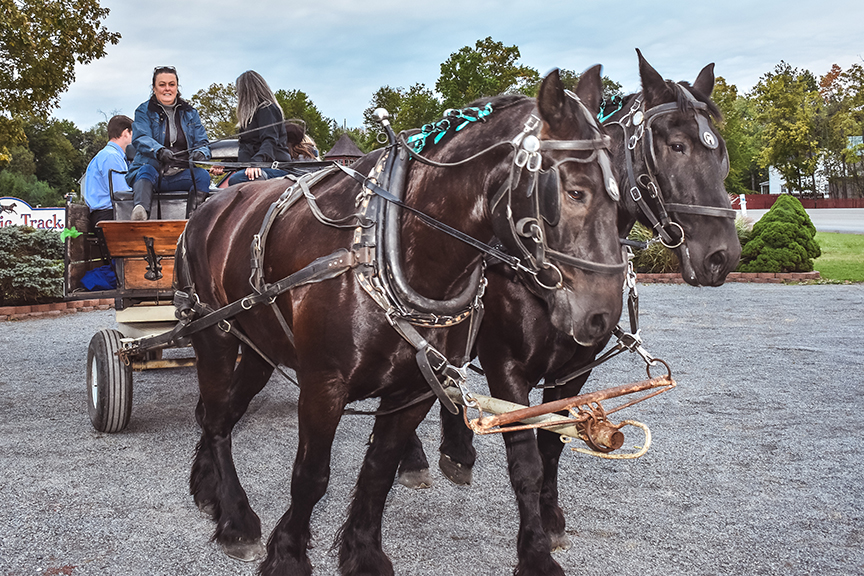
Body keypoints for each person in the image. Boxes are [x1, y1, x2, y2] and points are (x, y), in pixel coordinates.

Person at [125, 66, 211, 220]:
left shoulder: (191, 113)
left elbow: (202, 142)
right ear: (154, 88)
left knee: (202, 176)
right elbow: (141, 138)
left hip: (181, 174)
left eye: (171, 84)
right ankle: (140, 215)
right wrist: (159, 151)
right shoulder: (143, 111)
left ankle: (193, 221)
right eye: (162, 84)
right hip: (153, 174)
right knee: (145, 171)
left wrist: (201, 153)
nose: (167, 89)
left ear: (177, 87)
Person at [226, 70, 293, 186]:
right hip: (259, 166)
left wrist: (256, 164)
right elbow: (247, 147)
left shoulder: (267, 109)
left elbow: (270, 140)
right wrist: (224, 165)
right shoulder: (248, 118)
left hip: (275, 167)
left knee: (237, 180)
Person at [83, 115, 133, 231]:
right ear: (126, 133)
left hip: (106, 215)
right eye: (133, 134)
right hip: (109, 216)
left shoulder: (108, 155)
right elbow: (122, 195)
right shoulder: (112, 157)